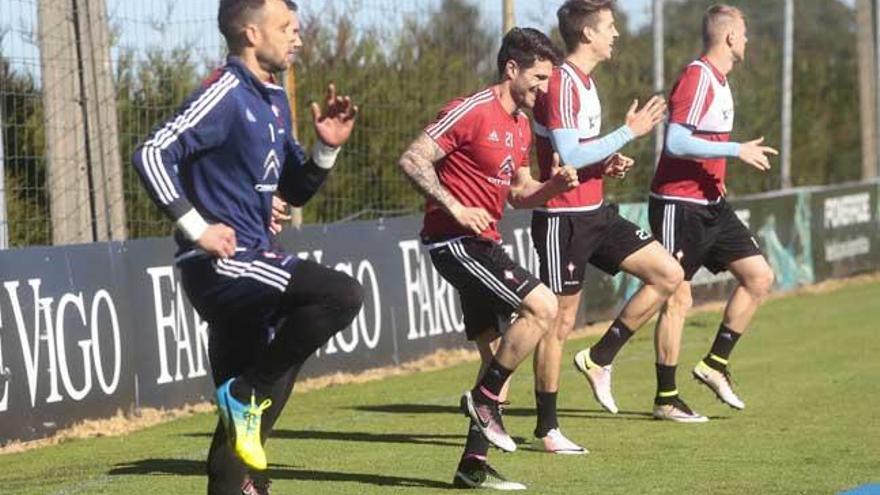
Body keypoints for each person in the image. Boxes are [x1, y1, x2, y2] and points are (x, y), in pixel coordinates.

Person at [131, 1, 363, 494]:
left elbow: (294, 190)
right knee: (341, 296)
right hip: (222, 266)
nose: (297, 38)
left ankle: (244, 407)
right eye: (287, 28)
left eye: (298, 29)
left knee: (239, 446)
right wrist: (198, 228)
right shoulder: (225, 92)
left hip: (255, 261)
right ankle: (247, 391)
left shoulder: (275, 99)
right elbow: (151, 153)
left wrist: (326, 147)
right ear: (251, 34)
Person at [398, 27, 578, 490]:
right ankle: (483, 398)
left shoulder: (520, 123)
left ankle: (471, 465)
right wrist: (455, 207)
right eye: (538, 77)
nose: (543, 88)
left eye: (548, 80)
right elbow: (413, 159)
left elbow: (519, 193)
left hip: (483, 243)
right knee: (543, 306)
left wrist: (553, 187)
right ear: (511, 69)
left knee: (499, 353)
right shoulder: (471, 109)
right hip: (454, 242)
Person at [528, 0, 688, 439]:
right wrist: (628, 133)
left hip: (596, 213)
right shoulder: (560, 82)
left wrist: (608, 161)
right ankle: (547, 428)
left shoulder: (586, 83)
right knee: (558, 323)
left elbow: (582, 153)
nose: (616, 34)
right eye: (610, 27)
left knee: (668, 274)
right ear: (587, 35)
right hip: (564, 220)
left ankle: (600, 358)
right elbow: (572, 154)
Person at [649, 4, 777, 422]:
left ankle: (714, 365)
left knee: (759, 277)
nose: (748, 40)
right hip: (678, 205)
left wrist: (721, 170)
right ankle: (666, 397)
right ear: (729, 38)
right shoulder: (698, 76)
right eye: (745, 33)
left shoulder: (721, 83)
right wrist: (735, 150)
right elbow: (677, 142)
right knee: (676, 297)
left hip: (710, 204)